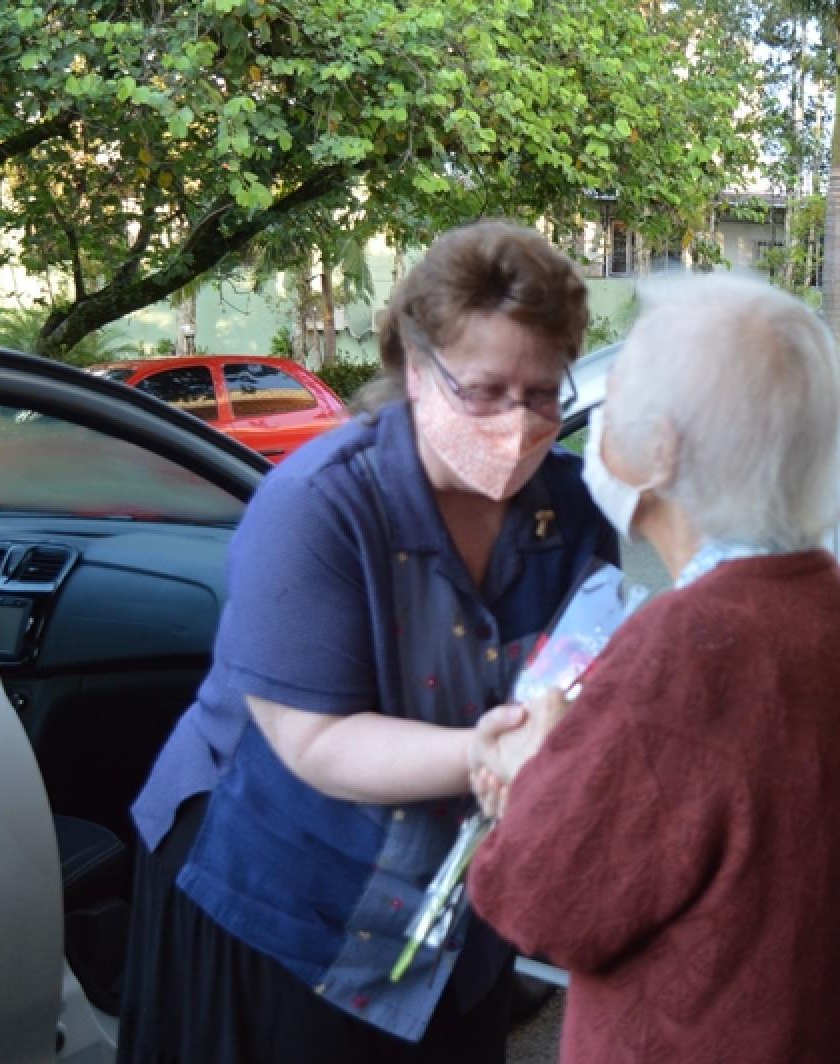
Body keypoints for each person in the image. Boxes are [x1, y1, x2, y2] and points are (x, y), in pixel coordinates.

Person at [118, 220, 616, 1063]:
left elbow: (588, 661)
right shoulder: (320, 504)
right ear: (418, 373)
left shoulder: (570, 509)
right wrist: (492, 753)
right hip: (273, 895)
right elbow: (313, 739)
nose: (519, 425)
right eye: (487, 392)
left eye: (542, 395)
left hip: (453, 899)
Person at [464, 273, 840, 1063]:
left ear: (662, 449)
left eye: (612, 412)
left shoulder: (687, 648)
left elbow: (542, 902)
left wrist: (529, 773)